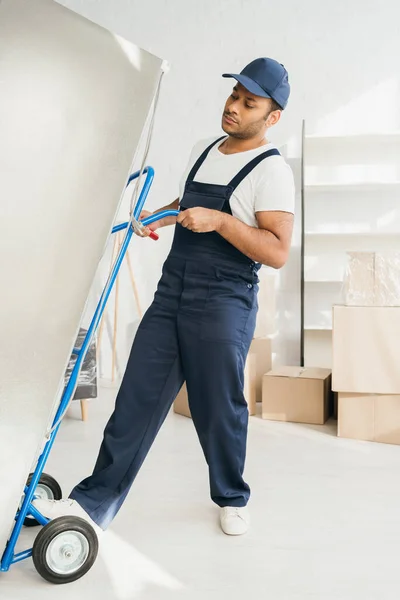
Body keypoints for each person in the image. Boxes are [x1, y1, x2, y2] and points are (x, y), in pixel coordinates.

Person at [34, 57, 295, 536]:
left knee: (218, 408)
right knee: (135, 398)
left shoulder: (272, 171)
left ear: (271, 117)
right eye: (233, 95)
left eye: (248, 102)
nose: (234, 106)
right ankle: (93, 504)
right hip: (172, 290)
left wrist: (220, 222)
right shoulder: (205, 148)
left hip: (224, 300)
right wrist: (159, 215)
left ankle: (232, 496)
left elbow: (277, 251)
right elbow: (189, 202)